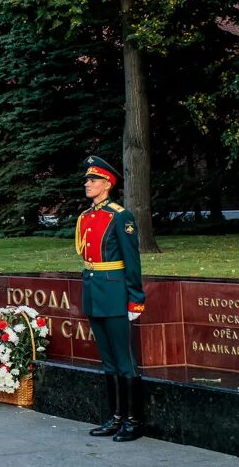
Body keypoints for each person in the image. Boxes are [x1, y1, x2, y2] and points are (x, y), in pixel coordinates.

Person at [78, 155, 146, 443]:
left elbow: (132, 261)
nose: (87, 183)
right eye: (87, 179)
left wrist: (135, 299)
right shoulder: (87, 216)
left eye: (93, 180)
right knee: (108, 361)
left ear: (107, 184)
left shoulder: (121, 216)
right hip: (95, 293)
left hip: (116, 294)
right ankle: (115, 418)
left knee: (124, 361)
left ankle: (132, 421)